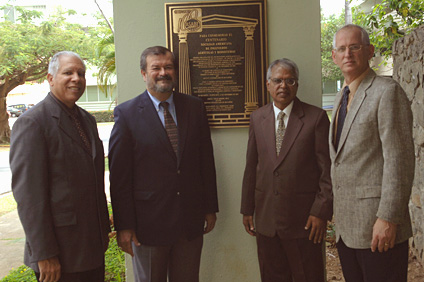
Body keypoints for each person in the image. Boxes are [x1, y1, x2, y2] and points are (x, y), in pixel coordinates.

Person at [108, 46, 218, 282]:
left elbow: (205, 162)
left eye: (168, 67)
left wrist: (210, 207)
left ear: (175, 71)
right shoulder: (126, 114)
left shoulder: (195, 108)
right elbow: (119, 176)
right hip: (147, 227)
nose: (163, 72)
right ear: (144, 74)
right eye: (155, 67)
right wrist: (124, 225)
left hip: (189, 221)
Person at [9, 51, 110, 282]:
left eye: (81, 74)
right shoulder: (33, 123)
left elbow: (94, 182)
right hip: (58, 255)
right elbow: (29, 197)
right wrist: (44, 253)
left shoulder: (87, 120)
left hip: (91, 247)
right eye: (68, 72)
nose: (76, 78)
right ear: (50, 78)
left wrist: (102, 229)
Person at [330, 24, 415, 282]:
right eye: (341, 49)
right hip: (347, 229)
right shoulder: (339, 98)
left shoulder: (387, 92)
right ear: (334, 56)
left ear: (369, 51)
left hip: (378, 228)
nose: (348, 54)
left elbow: (399, 161)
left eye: (354, 47)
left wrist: (388, 218)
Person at [241, 58, 333, 282]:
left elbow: (327, 171)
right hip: (266, 220)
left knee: (308, 276)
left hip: (305, 222)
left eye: (290, 80)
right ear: (268, 85)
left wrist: (320, 212)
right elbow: (252, 165)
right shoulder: (257, 117)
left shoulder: (316, 118)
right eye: (278, 80)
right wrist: (247, 209)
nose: (284, 86)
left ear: (297, 85)